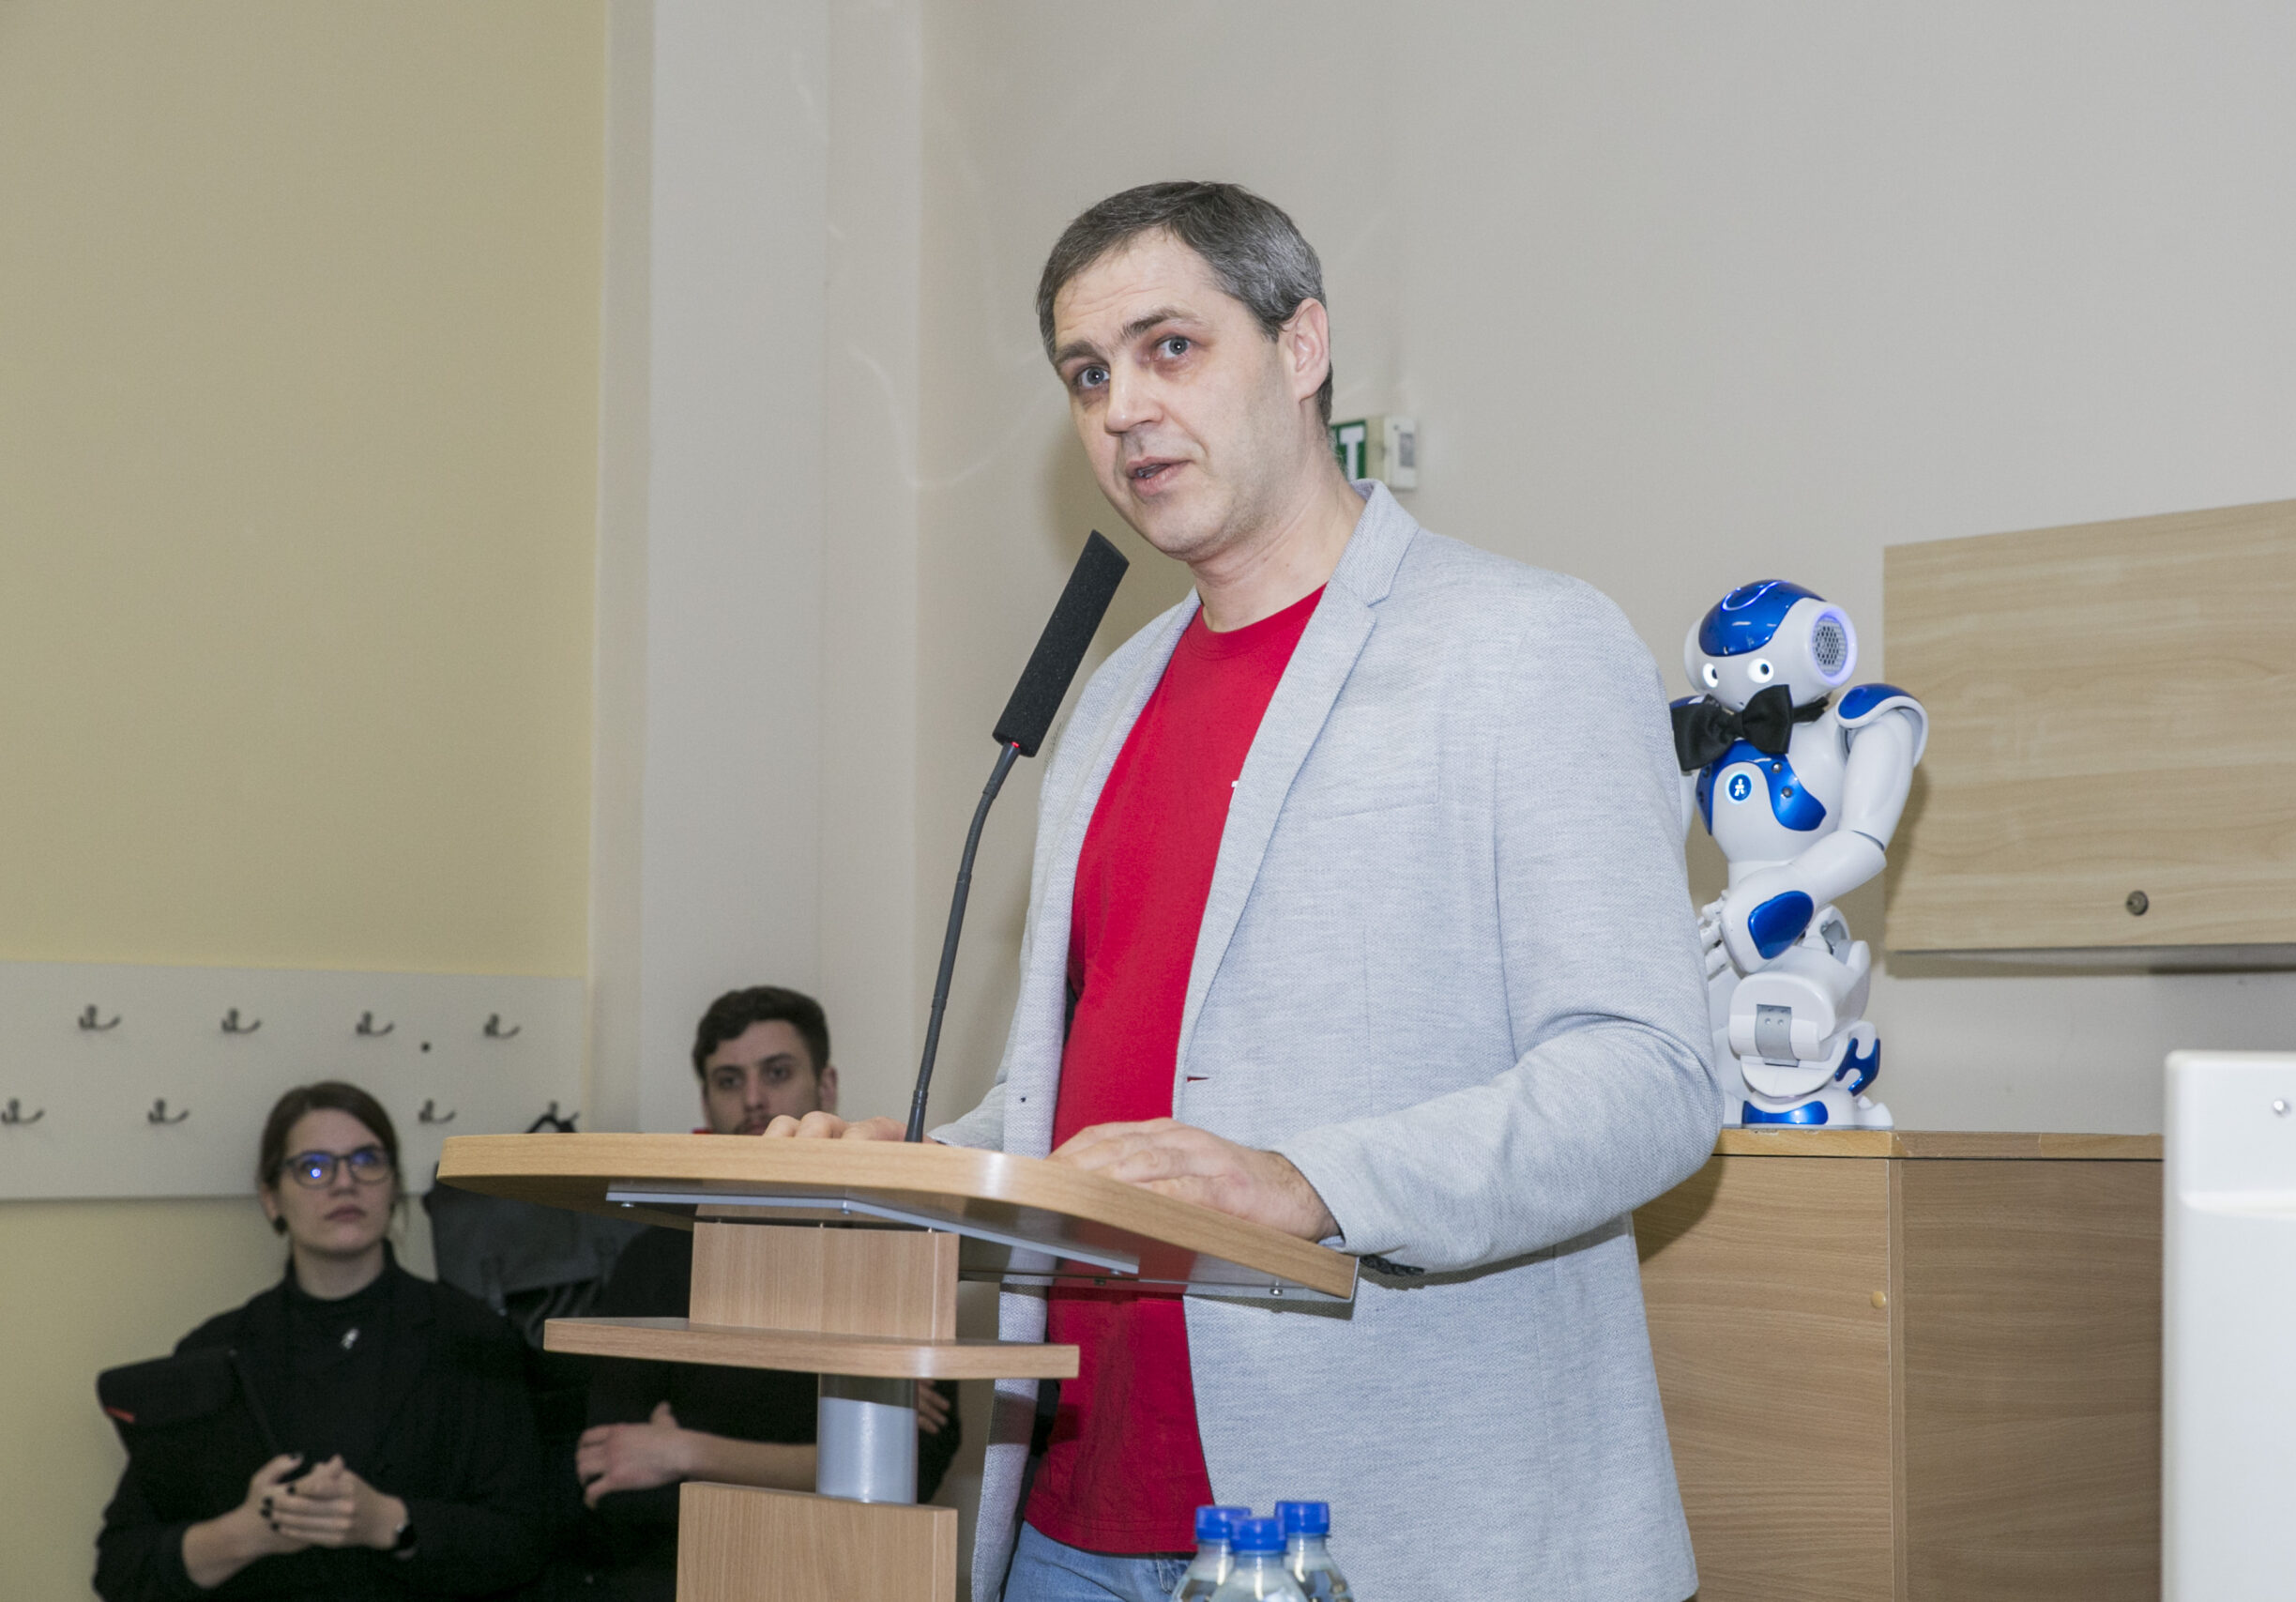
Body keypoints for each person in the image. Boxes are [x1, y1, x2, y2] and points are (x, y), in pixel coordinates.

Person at [766, 182, 1720, 1602]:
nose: (1124, 410)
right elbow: (1094, 1112)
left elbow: (1650, 1078)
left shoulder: (1524, 644)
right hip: (1073, 1513)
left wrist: (1309, 1183)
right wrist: (915, 1169)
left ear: (1302, 344)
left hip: (1379, 1518)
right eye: (1087, 375)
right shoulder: (1110, 700)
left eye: (1170, 347)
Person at [569, 986, 960, 1602]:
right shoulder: (656, 1256)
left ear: (826, 1086)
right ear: (706, 1101)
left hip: (847, 1574)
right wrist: (845, 1439)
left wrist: (684, 1449)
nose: (753, 1099)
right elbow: (612, 1479)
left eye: (776, 1073)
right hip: (680, 1577)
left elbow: (910, 1473)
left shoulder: (895, 1248)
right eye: (729, 1080)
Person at [96, 1082, 545, 1600]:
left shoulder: (471, 1336)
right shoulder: (215, 1353)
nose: (344, 1183)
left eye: (367, 1161)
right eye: (313, 1168)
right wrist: (246, 1534)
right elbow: (122, 1569)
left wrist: (388, 1522)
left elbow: (525, 1542)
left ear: (393, 1187)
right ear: (271, 1200)